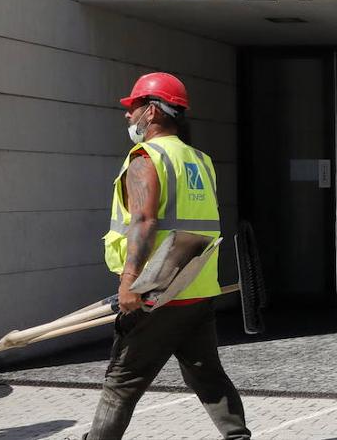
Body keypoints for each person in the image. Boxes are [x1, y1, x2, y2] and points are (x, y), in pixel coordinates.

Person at [85, 73, 249, 439]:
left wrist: (129, 283)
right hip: (196, 287)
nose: (129, 115)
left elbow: (144, 220)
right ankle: (238, 437)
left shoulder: (146, 157)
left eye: (135, 107)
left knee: (121, 382)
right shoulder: (200, 160)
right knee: (207, 375)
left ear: (154, 112)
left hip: (154, 293)